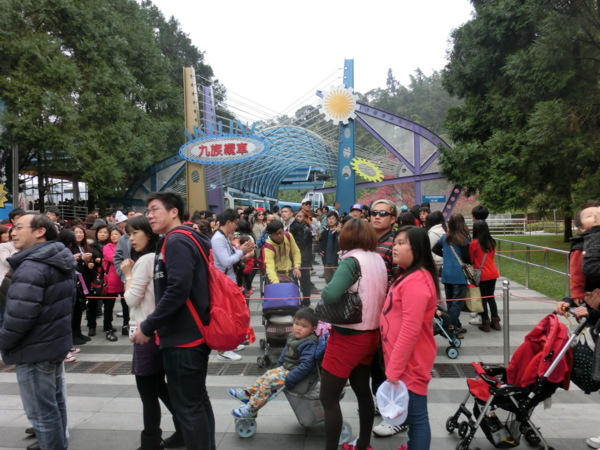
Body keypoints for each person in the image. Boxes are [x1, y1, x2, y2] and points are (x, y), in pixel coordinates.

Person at [130, 191, 216, 450]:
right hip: (190, 334)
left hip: (183, 337)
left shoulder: (177, 240)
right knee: (197, 402)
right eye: (147, 211)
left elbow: (177, 289)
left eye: (155, 209)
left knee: (189, 408)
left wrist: (148, 325)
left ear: (174, 211)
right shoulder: (182, 238)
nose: (149, 215)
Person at [0, 213, 76, 450]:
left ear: (40, 231)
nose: (13, 233)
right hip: (53, 343)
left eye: (19, 227)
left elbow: (20, 316)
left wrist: (4, 341)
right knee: (55, 405)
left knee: (42, 415)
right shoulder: (58, 258)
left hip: (34, 349)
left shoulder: (32, 266)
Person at [319, 218, 387, 450]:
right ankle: (364, 443)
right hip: (371, 334)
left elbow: (330, 294)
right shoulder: (378, 259)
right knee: (363, 391)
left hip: (348, 336)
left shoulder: (351, 262)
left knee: (328, 397)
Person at [121, 216, 184, 450]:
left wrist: (128, 274)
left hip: (145, 332)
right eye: (129, 234)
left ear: (148, 234)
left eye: (135, 233)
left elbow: (130, 299)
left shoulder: (146, 260)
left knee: (148, 392)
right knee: (158, 387)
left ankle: (150, 442)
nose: (131, 238)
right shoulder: (159, 256)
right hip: (159, 331)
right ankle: (183, 428)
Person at [380, 226, 439, 449]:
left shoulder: (416, 281)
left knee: (417, 419)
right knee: (414, 419)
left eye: (401, 243)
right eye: (395, 243)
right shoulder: (408, 275)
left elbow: (410, 330)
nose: (395, 248)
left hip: (410, 364)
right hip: (404, 362)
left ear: (417, 248)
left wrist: (394, 370)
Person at [227, 307, 318, 418]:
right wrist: (279, 366)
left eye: (304, 326)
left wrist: (290, 378)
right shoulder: (293, 336)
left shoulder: (309, 343)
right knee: (268, 374)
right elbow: (285, 352)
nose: (298, 328)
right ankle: (248, 394)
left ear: (313, 329)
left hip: (293, 373)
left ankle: (252, 408)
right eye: (296, 323)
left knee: (269, 382)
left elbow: (306, 365)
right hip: (286, 368)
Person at [211, 210, 254, 361]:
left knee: (231, 314)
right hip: (222, 283)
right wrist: (242, 252)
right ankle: (223, 350)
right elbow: (226, 261)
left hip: (227, 281)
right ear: (228, 222)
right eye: (235, 222)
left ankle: (229, 344)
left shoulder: (223, 237)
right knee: (225, 316)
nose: (236, 226)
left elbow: (231, 255)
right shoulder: (218, 239)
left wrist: (242, 250)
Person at [432, 213, 471, 339]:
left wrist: (447, 257)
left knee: (450, 302)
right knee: (457, 303)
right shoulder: (464, 239)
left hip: (446, 273)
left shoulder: (445, 237)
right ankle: (451, 328)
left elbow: (435, 249)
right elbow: (467, 258)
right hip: (458, 274)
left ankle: (456, 325)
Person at [470, 220, 501, 332]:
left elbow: (471, 259)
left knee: (482, 298)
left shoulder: (474, 243)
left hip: (482, 273)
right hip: (493, 272)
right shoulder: (491, 242)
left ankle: (485, 321)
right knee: (490, 297)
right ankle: (496, 321)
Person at [103, 227, 126, 341]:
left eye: (116, 234)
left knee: (126, 305)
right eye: (112, 234)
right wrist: (126, 260)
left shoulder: (125, 245)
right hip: (111, 280)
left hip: (124, 279)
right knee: (109, 306)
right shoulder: (107, 247)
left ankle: (126, 325)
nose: (113, 236)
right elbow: (112, 258)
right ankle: (108, 327)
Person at [262, 220, 302, 285]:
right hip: (275, 276)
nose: (279, 236)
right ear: (271, 234)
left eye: (280, 232)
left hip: (289, 274)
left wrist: (297, 267)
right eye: (276, 234)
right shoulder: (268, 247)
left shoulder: (288, 236)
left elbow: (296, 252)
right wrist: (276, 282)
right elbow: (270, 267)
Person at [318, 211, 340, 283]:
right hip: (327, 260)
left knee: (337, 281)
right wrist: (319, 250)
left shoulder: (339, 232)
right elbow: (320, 243)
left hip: (337, 260)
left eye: (333, 218)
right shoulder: (325, 232)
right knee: (328, 280)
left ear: (336, 220)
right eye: (329, 218)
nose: (331, 220)